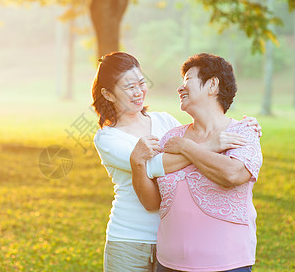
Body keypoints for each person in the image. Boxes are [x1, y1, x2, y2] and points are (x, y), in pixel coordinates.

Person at [92, 52, 261, 272]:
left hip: (168, 242)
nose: (137, 92)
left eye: (141, 83)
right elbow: (154, 167)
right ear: (109, 94)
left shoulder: (166, 123)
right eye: (128, 87)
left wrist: (245, 127)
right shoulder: (108, 137)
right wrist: (207, 146)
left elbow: (199, 135)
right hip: (131, 236)